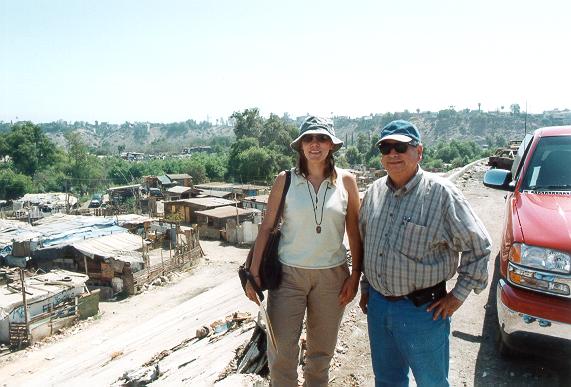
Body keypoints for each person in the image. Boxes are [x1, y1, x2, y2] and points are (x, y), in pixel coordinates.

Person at [359, 120, 491, 387]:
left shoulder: (441, 194)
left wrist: (457, 297)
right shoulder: (373, 193)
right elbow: (366, 245)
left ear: (419, 152)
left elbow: (479, 246)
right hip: (378, 307)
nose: (392, 153)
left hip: (423, 312)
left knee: (431, 382)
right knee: (387, 381)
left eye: (401, 146)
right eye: (386, 147)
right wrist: (366, 287)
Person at [244, 115, 363, 387]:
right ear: (300, 145)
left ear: (332, 144)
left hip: (332, 278)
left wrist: (355, 275)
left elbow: (354, 232)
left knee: (320, 355)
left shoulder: (347, 182)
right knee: (282, 353)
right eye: (308, 138)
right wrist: (252, 274)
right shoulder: (285, 180)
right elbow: (266, 228)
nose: (315, 144)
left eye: (322, 138)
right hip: (288, 277)